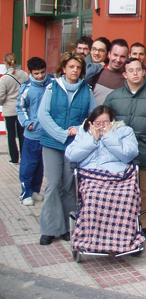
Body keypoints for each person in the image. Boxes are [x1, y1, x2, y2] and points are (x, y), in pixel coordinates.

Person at [65, 105, 146, 253]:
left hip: (119, 174)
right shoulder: (84, 133)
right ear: (91, 123)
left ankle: (122, 239)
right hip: (92, 174)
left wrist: (109, 136)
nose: (102, 126)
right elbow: (72, 155)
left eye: (106, 123)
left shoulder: (124, 131)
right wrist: (92, 140)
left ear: (112, 121)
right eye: (98, 123)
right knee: (93, 197)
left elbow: (129, 154)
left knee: (127, 196)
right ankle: (93, 240)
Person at [38, 52, 96, 245]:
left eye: (78, 68)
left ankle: (67, 227)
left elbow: (92, 117)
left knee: (69, 185)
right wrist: (62, 133)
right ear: (63, 68)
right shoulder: (52, 87)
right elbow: (43, 115)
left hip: (75, 145)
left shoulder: (86, 90)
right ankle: (50, 228)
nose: (74, 70)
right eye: (71, 67)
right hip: (53, 143)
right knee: (53, 184)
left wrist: (78, 129)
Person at [104, 58, 146, 236]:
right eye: (131, 70)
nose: (135, 73)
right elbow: (104, 123)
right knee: (121, 188)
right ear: (124, 74)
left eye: (138, 70)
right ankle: (123, 221)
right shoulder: (113, 96)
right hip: (120, 151)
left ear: (144, 72)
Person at [16, 57, 53, 205]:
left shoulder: (53, 84)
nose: (40, 76)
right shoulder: (26, 88)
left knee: (40, 165)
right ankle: (25, 194)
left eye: (42, 72)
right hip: (32, 134)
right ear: (30, 72)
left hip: (49, 134)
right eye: (36, 73)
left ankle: (36, 191)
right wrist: (27, 123)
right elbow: (20, 107)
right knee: (29, 164)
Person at [0, 53, 29, 164]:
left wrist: (3, 102)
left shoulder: (5, 78)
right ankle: (24, 156)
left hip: (9, 110)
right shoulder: (24, 75)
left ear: (6, 63)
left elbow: (1, 95)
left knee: (11, 135)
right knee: (22, 134)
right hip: (22, 108)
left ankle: (14, 158)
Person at [88, 39, 128, 106]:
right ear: (109, 54)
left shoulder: (128, 79)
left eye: (122, 57)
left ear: (127, 57)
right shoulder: (96, 73)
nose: (118, 60)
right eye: (115, 55)